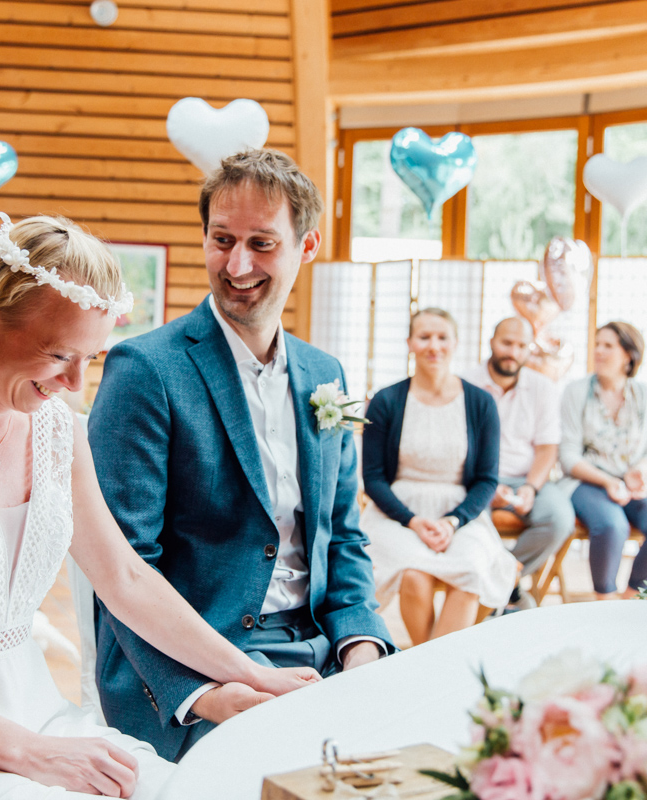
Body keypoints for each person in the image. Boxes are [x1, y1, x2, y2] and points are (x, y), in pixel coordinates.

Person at [0, 214, 317, 800]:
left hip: (36, 712)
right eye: (59, 356)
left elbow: (124, 577)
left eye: (92, 359)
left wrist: (250, 673)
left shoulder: (58, 429)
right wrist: (35, 755)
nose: (76, 383)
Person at [88, 149, 393, 762]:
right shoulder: (146, 370)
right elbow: (122, 570)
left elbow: (344, 538)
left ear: (306, 248)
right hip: (198, 663)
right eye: (222, 239)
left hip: (323, 651)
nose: (237, 264)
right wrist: (207, 691)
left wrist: (363, 647)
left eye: (261, 243)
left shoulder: (323, 373)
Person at [361, 308, 517, 646]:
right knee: (413, 573)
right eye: (424, 337)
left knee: (472, 571)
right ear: (410, 343)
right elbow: (373, 478)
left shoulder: (481, 403)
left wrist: (451, 522)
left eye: (442, 337)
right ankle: (437, 667)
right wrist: (414, 521)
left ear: (455, 343)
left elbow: (487, 480)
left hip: (460, 513)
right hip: (396, 512)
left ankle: (428, 668)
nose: (434, 346)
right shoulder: (386, 401)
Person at [559, 321, 647, 599]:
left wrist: (639, 472)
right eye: (597, 344)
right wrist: (608, 481)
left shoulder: (646, 396)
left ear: (628, 354)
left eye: (608, 345)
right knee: (612, 526)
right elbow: (568, 456)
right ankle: (603, 597)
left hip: (631, 481)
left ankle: (630, 597)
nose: (598, 351)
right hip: (586, 480)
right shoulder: (576, 392)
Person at [461, 317, 575, 609]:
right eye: (506, 343)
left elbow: (547, 449)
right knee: (471, 519)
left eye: (521, 345)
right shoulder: (465, 385)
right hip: (477, 478)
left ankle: (504, 580)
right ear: (491, 343)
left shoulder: (543, 387)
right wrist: (489, 486)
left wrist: (530, 489)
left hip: (527, 477)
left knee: (560, 519)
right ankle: (500, 590)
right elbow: (461, 448)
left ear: (529, 350)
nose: (513, 351)